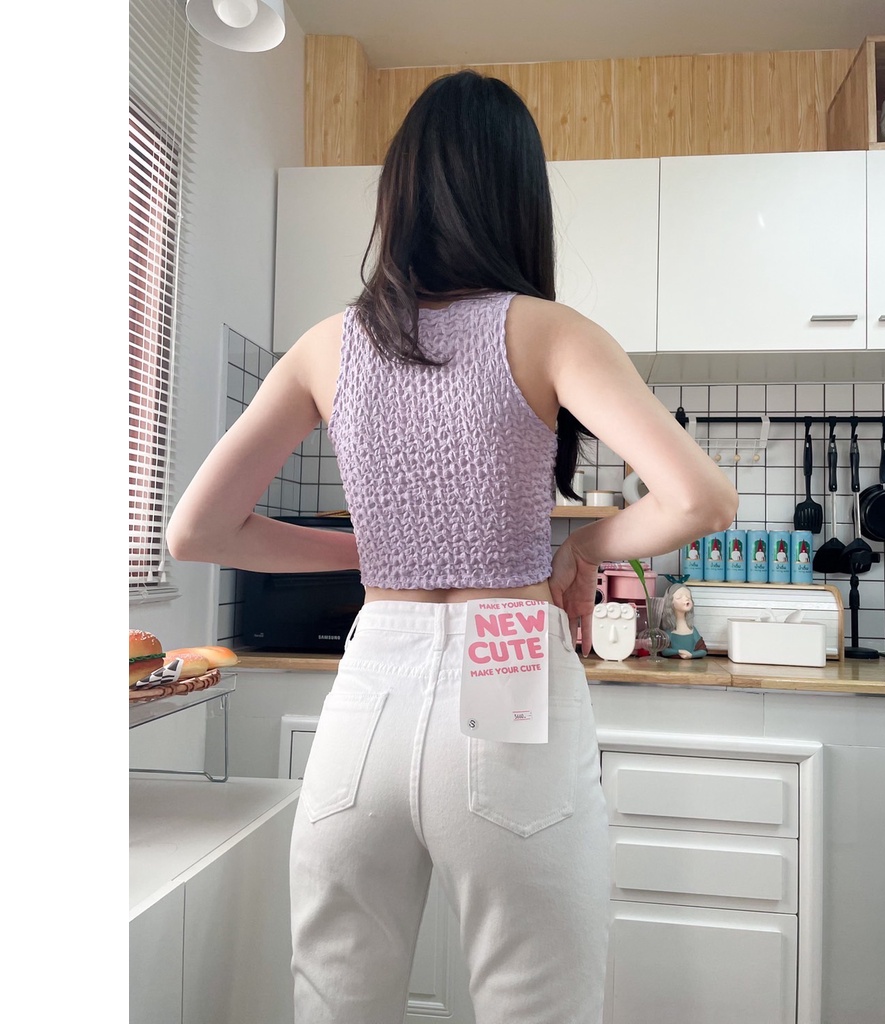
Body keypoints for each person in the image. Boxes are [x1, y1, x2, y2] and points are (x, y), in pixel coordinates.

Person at [167, 69, 737, 1024]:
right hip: (506, 669)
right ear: (520, 196)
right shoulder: (549, 332)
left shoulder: (326, 345)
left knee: (337, 1003)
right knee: (537, 1004)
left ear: (400, 192)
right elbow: (700, 498)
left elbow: (199, 531)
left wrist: (376, 555)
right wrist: (580, 551)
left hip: (370, 695)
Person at [659, 583, 709, 659]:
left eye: (689, 597)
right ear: (670, 602)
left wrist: (691, 655)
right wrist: (679, 651)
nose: (686, 599)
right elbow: (664, 651)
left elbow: (703, 651)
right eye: (679, 597)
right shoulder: (669, 631)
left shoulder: (692, 630)